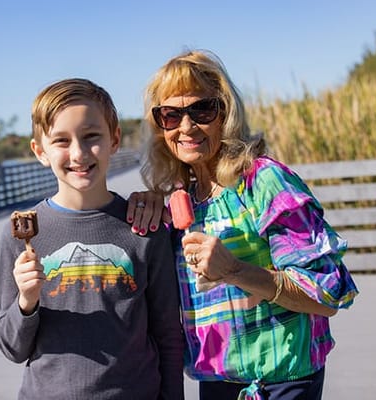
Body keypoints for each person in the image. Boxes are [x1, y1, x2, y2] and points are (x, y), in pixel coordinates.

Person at [127, 50, 359, 399]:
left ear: (225, 112)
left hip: (283, 381)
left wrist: (235, 270)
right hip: (216, 382)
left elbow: (324, 295)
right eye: (171, 115)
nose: (187, 127)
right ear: (160, 127)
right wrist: (145, 206)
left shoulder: (263, 181)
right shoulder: (183, 200)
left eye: (202, 110)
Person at [0, 78, 184, 400]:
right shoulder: (21, 237)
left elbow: (167, 335)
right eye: (61, 141)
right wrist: (26, 302)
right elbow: (12, 347)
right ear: (40, 151)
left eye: (91, 136)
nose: (79, 153)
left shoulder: (144, 227)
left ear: (114, 139)